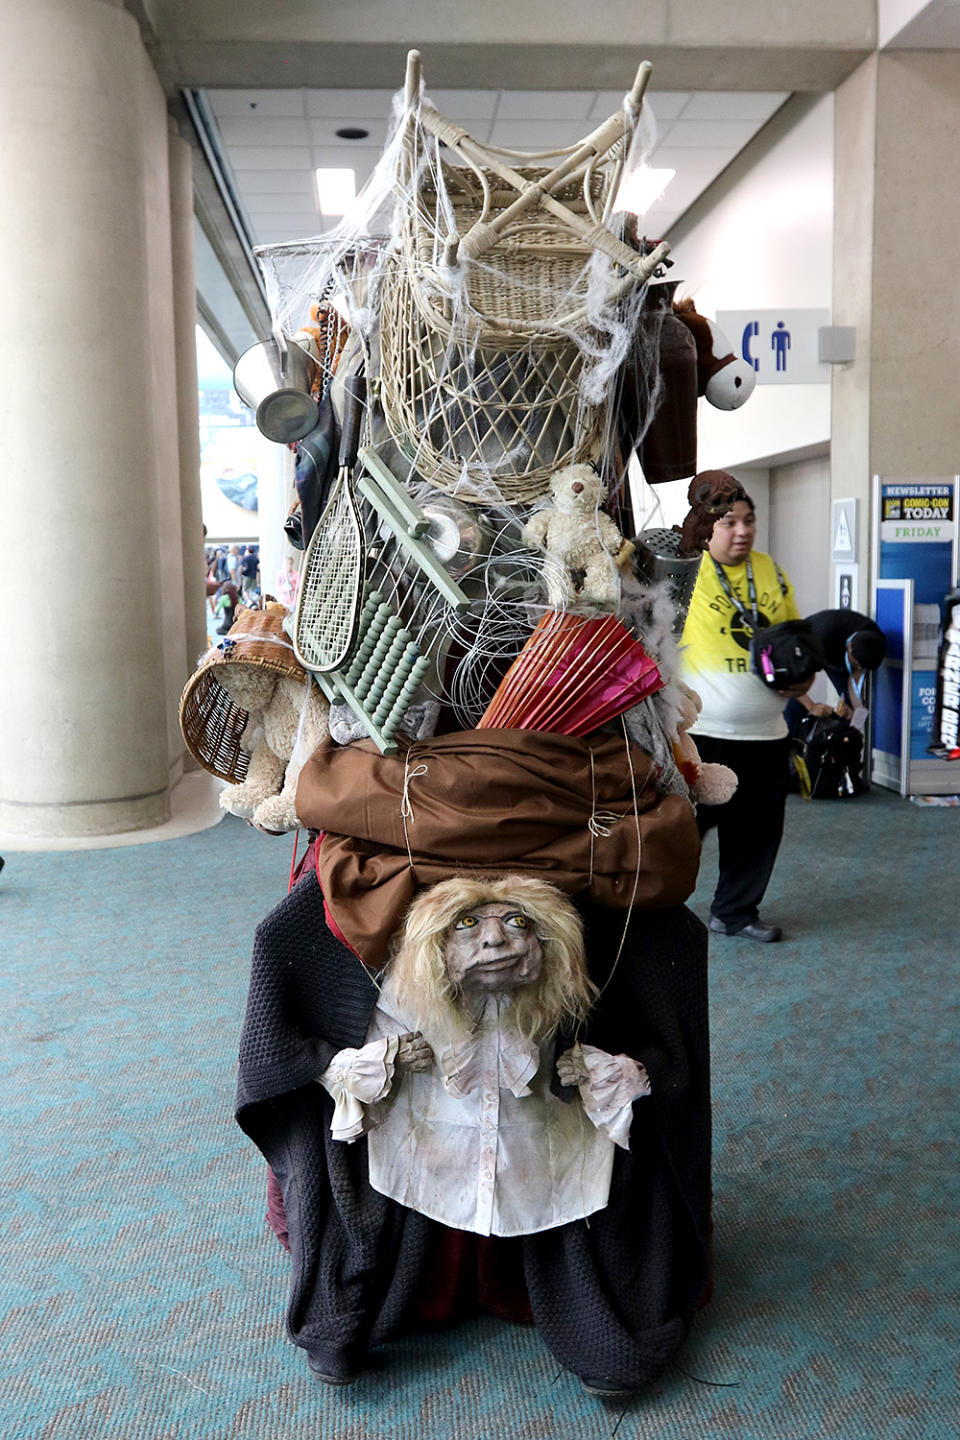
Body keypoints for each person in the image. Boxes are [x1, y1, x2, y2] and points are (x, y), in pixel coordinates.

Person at [680, 484, 812, 942]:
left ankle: (734, 912)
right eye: (728, 522)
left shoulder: (769, 571)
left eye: (748, 521)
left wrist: (805, 678)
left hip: (766, 731)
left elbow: (793, 636)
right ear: (706, 527)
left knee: (756, 832)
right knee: (679, 830)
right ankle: (652, 910)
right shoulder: (687, 569)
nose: (741, 531)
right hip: (703, 731)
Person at [789, 610, 886, 722]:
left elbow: (855, 677)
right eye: (855, 664)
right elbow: (790, 680)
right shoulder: (818, 643)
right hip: (798, 651)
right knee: (794, 705)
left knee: (849, 709)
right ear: (849, 647)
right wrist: (811, 706)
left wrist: (853, 706)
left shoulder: (876, 639)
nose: (858, 669)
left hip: (836, 649)